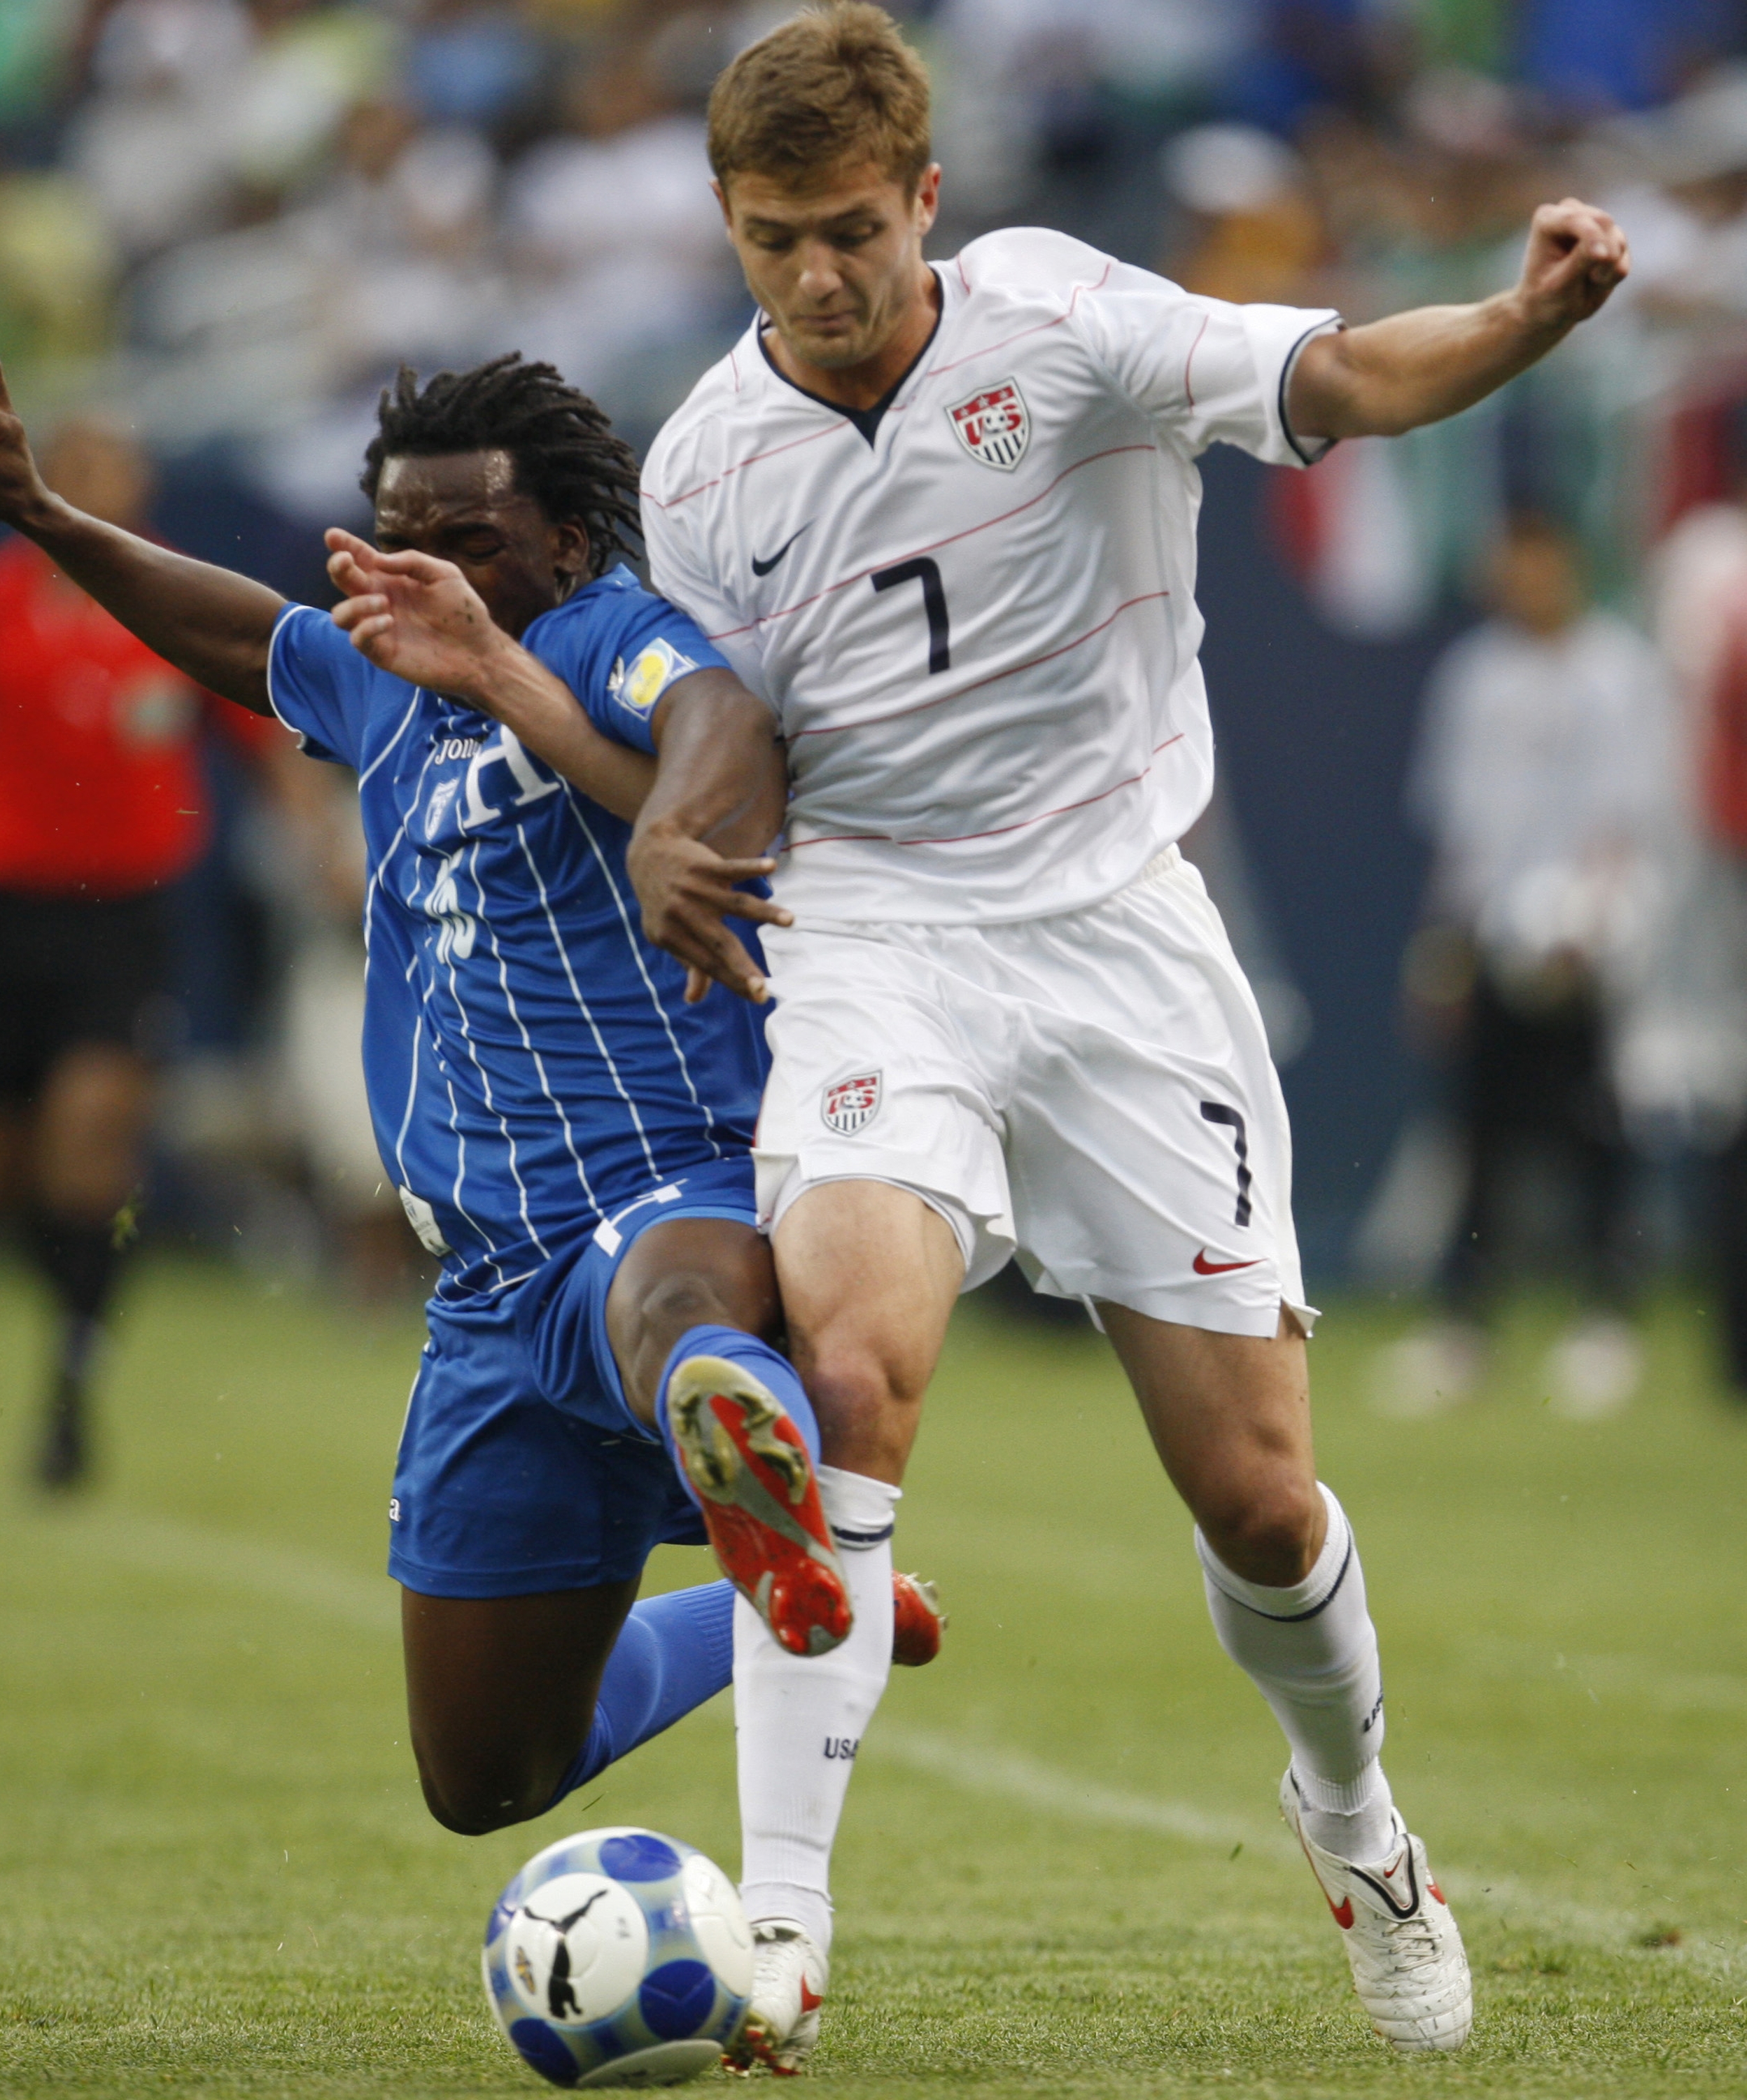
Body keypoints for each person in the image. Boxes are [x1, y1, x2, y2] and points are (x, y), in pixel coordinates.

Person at [617, 1, 1630, 2063]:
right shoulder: (699, 465)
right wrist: (670, 824)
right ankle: (778, 1929)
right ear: (727, 228)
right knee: (849, 1382)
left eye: (846, 231)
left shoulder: (1063, 324)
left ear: (924, 197)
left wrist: (1519, 321)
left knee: (1256, 1500)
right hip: (875, 939)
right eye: (769, 241)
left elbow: (1338, 376)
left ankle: (1354, 1822)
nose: (814, 278)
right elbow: (725, 736)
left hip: (1111, 935)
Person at [0, 318, 941, 1978]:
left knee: (677, 1312)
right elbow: (237, 632)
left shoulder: (601, 632)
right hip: (479, 1293)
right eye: (401, 539)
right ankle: (810, 1588)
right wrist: (48, 516)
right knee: (485, 1774)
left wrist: (677, 828)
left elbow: (717, 719)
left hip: (656, 1187)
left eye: (471, 538)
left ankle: (742, 1434)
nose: (433, 573)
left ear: (566, 542)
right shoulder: (374, 669)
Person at [0, 419, 288, 1488]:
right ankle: (75, 1306)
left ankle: (71, 1376)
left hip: (127, 914)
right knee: (6, 1172)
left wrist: (328, 846)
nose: (114, 484)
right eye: (90, 467)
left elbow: (264, 735)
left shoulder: (176, 598)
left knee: (91, 1133)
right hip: (0, 909)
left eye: (125, 466)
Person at [1391, 514, 1677, 1418]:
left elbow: (1634, 813)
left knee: (1595, 1133)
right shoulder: (1472, 674)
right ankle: (1463, 1324)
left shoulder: (1619, 670)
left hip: (1590, 946)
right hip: (1491, 940)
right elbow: (1459, 827)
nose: (1522, 581)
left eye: (1537, 564)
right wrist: (1444, 942)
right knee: (1478, 1135)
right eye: (1508, 566)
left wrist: (1590, 921)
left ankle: (1606, 1320)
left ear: (1570, 566)